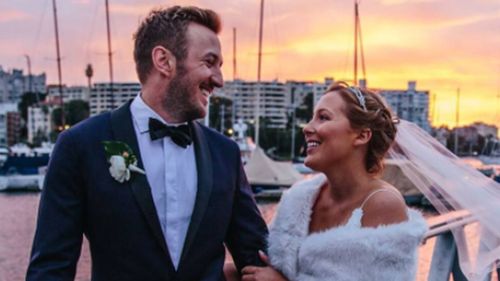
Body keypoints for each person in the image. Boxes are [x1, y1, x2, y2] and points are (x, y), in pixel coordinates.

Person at [26, 6, 268, 281]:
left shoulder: (225, 153)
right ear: (163, 60)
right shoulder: (80, 145)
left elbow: (258, 258)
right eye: (209, 62)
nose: (219, 80)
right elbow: (50, 269)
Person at [241, 82, 428, 281]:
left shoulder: (382, 203)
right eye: (312, 118)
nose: (308, 128)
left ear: (362, 135)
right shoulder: (299, 197)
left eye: (323, 117)